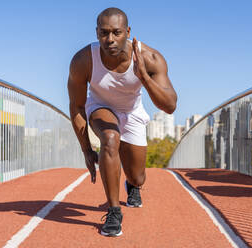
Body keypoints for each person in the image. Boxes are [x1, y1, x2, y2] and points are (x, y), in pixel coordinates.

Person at [67, 7, 177, 237]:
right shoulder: (83, 60)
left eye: (116, 32)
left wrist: (144, 77)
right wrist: (86, 149)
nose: (110, 39)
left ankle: (132, 186)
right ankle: (114, 211)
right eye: (104, 33)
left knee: (138, 176)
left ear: (128, 31)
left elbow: (169, 106)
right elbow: (77, 106)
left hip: (132, 112)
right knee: (109, 138)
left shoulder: (149, 58)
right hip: (100, 108)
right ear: (96, 33)